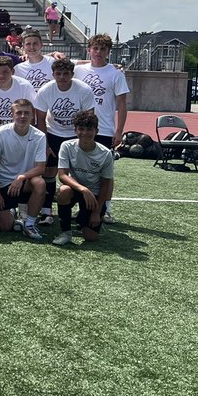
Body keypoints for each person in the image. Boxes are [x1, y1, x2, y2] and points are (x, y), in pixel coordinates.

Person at [34, 57, 97, 226]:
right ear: (53, 74)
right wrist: (45, 144)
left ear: (72, 74)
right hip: (53, 133)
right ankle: (46, 211)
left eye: (66, 73)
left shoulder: (83, 90)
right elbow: (40, 119)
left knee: (79, 172)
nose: (62, 77)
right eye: (58, 73)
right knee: (49, 171)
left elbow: (89, 118)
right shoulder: (46, 90)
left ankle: (82, 211)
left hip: (75, 135)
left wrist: (83, 141)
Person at [74, 34, 128, 223]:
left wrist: (119, 131)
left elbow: (122, 104)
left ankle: (106, 208)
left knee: (105, 173)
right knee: (79, 170)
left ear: (108, 52)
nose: (98, 52)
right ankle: (81, 207)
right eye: (95, 48)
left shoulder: (116, 73)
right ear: (89, 49)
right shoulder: (78, 70)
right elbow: (57, 61)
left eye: (102, 49)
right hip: (81, 129)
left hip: (104, 129)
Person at [53, 110, 115, 246]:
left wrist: (96, 212)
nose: (85, 133)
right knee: (63, 191)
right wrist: (83, 190)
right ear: (75, 130)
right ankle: (65, 232)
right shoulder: (67, 146)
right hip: (77, 189)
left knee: (90, 237)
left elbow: (106, 185)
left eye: (89, 129)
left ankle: (84, 217)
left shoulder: (105, 154)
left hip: (95, 195)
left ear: (96, 131)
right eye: (81, 129)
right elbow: (62, 175)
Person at [0, 99, 47, 239]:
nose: (22, 116)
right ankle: (13, 212)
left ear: (32, 115)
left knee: (40, 183)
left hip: (25, 183)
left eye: (26, 113)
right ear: (12, 114)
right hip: (4, 182)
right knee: (5, 227)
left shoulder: (40, 136)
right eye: (19, 113)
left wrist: (21, 177)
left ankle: (29, 224)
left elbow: (40, 168)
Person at [13, 28, 56, 93]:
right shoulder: (18, 69)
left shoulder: (53, 62)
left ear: (41, 45)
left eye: (35, 43)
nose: (32, 47)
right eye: (28, 44)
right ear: (23, 47)